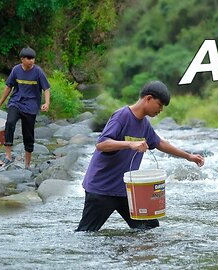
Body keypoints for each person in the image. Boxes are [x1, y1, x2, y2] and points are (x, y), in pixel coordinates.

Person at [76, 81, 205, 232]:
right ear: (148, 98)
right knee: (86, 234)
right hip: (101, 189)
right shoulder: (122, 116)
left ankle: (134, 254)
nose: (161, 110)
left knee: (150, 228)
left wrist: (188, 156)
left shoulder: (144, 124)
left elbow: (160, 143)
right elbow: (102, 144)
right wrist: (129, 144)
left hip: (126, 191)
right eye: (160, 105)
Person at [0, 47, 51, 169]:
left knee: (28, 134)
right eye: (29, 58)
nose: (31, 61)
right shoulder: (16, 70)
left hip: (31, 106)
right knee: (9, 123)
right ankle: (8, 156)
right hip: (16, 103)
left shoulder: (38, 72)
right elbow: (8, 87)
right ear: (22, 59)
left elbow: (46, 88)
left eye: (33, 58)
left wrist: (47, 103)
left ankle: (27, 164)